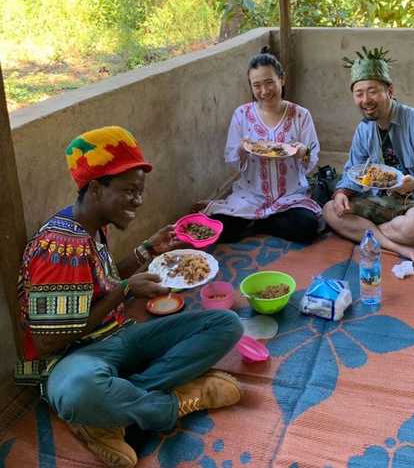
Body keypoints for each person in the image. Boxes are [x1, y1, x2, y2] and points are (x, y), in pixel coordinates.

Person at [15, 126, 243, 468]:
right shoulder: (57, 248)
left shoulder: (93, 225)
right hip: (71, 362)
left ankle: (112, 413)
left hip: (118, 336)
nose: (138, 200)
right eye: (129, 191)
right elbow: (50, 341)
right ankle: (176, 401)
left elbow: (103, 283)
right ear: (95, 188)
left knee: (226, 324)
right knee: (81, 391)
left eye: (140, 191)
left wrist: (147, 250)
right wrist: (125, 292)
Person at [323, 48, 414, 268]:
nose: (366, 100)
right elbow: (353, 170)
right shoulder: (364, 129)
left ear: (390, 91)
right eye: (359, 93)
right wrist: (341, 192)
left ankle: (369, 235)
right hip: (383, 201)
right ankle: (399, 246)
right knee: (330, 210)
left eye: (373, 91)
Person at [202, 48, 322, 244]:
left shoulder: (301, 115)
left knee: (307, 227)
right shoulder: (241, 115)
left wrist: (302, 152)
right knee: (218, 229)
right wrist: (242, 148)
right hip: (251, 195)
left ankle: (257, 222)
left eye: (269, 82)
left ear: (281, 80)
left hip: (289, 195)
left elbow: (312, 156)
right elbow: (232, 157)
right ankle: (260, 218)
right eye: (257, 85)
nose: (264, 91)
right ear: (251, 87)